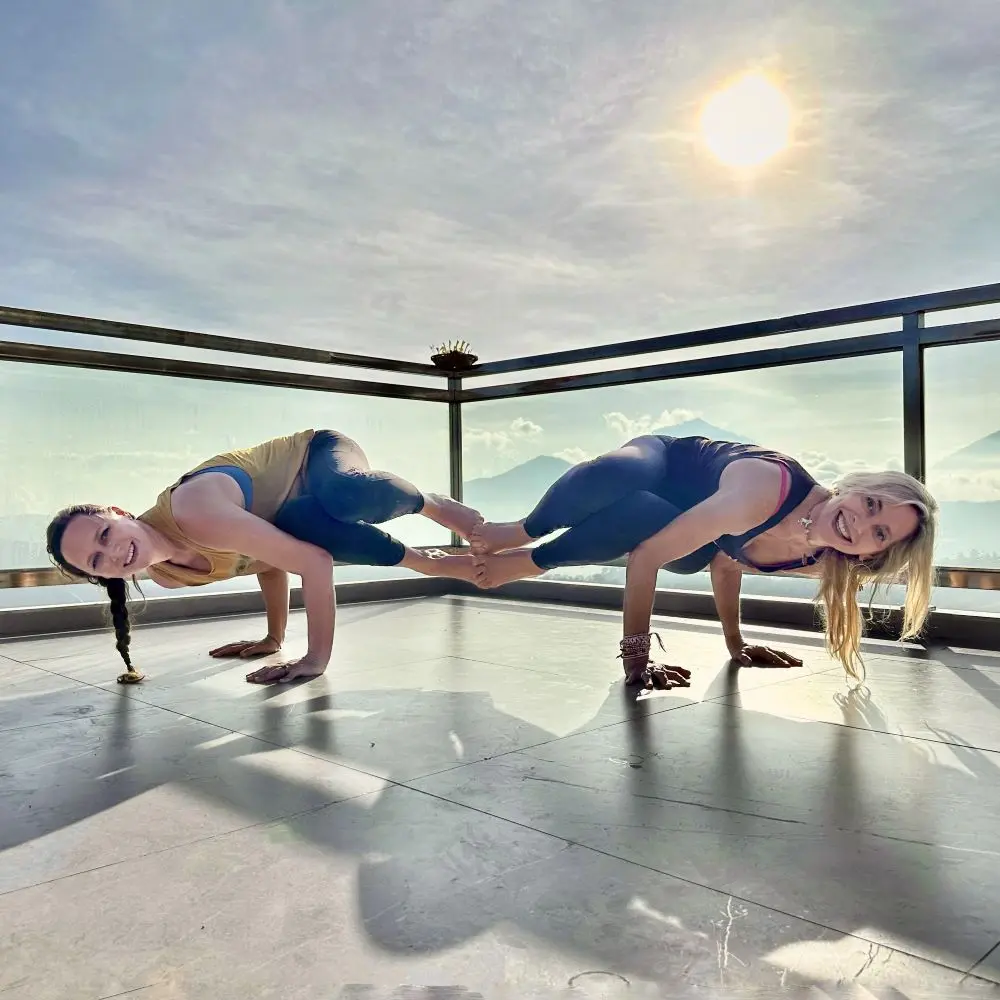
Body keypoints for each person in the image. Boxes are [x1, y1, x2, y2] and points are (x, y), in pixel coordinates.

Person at [470, 434, 938, 688]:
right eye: (871, 505)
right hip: (664, 463)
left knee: (655, 524)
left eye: (878, 534)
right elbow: (649, 557)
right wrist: (637, 658)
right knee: (622, 473)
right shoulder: (765, 491)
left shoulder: (822, 561)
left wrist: (736, 645)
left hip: (666, 519)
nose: (860, 524)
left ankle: (531, 560)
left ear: (875, 555)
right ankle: (516, 533)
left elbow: (726, 564)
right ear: (856, 488)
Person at [46, 428, 483, 685]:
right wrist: (274, 639)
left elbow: (314, 566)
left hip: (317, 458)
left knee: (347, 495)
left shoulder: (193, 510)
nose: (114, 552)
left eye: (105, 533)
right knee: (307, 528)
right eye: (96, 561)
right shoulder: (168, 576)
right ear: (98, 577)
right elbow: (270, 561)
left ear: (120, 513)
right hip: (299, 514)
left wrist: (315, 661)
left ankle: (432, 504)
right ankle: (432, 562)